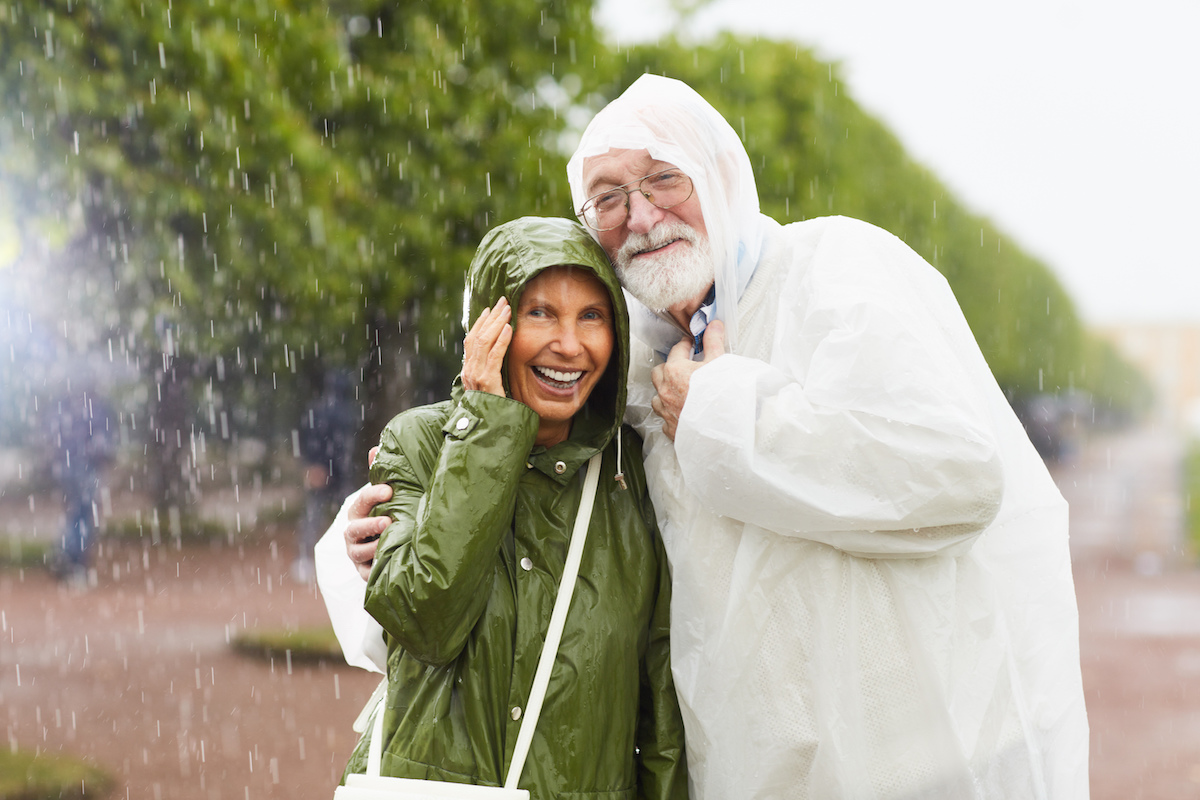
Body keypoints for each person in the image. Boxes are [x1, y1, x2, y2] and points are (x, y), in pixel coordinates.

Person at [323, 76, 1089, 799]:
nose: (644, 216)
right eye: (609, 198)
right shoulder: (639, 368)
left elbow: (955, 473)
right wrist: (373, 535)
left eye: (664, 180)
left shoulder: (835, 272)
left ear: (724, 175)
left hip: (914, 763)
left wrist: (725, 412)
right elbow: (522, 479)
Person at [326, 216, 687, 799]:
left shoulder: (632, 473)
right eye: (540, 312)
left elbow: (661, 701)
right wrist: (487, 429)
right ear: (488, 326)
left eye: (591, 316)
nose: (569, 345)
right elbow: (427, 619)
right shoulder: (419, 443)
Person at [295, 370, 357, 583]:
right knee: (349, 516)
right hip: (336, 471)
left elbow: (309, 438)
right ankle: (352, 562)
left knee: (315, 516)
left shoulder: (319, 408)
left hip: (327, 470)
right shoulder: (345, 410)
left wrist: (313, 465)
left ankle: (306, 562)